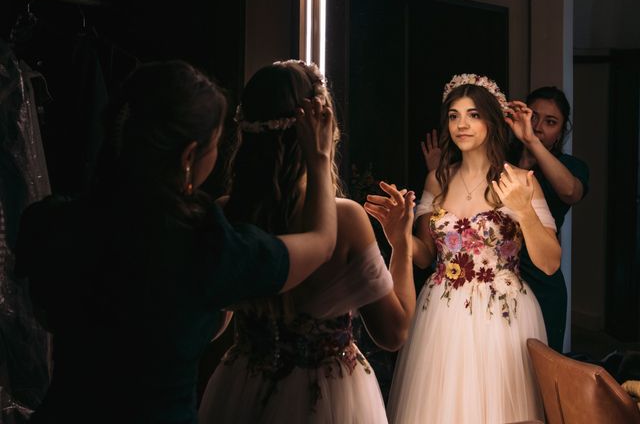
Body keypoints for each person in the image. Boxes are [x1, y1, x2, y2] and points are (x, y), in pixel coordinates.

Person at [14, 60, 338, 424]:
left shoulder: (54, 221)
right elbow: (321, 242)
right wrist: (320, 158)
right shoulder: (204, 246)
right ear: (188, 158)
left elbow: (44, 313)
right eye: (216, 145)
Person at [198, 60, 416, 424]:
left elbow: (213, 323)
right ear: (321, 129)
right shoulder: (345, 220)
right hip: (329, 397)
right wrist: (401, 243)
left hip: (244, 386)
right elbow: (394, 333)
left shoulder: (227, 213)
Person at [375, 74, 560, 423]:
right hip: (441, 314)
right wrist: (397, 236)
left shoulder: (520, 180)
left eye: (473, 115)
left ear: (492, 120)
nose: (462, 124)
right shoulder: (437, 180)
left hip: (503, 314)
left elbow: (550, 263)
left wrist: (522, 210)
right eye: (454, 115)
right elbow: (426, 254)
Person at [505, 87, 589, 352]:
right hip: (498, 275)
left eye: (550, 122)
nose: (539, 127)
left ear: (562, 131)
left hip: (541, 275)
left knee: (540, 368)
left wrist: (532, 143)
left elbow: (570, 192)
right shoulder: (500, 160)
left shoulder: (570, 166)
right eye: (534, 117)